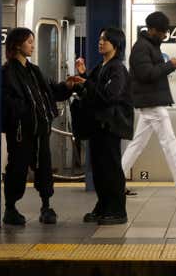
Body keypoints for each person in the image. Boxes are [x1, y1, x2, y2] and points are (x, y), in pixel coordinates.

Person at [1, 27, 84, 225]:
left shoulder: (34, 70)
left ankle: (46, 206)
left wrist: (67, 86)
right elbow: (8, 102)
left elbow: (52, 91)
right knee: (17, 168)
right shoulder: (7, 72)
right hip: (21, 132)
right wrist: (23, 114)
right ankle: (10, 208)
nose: (32, 46)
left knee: (44, 168)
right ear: (17, 44)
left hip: (40, 131)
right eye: (29, 42)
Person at [120, 12, 176, 197]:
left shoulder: (150, 45)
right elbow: (146, 74)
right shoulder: (142, 48)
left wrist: (168, 65)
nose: (165, 35)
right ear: (151, 30)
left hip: (151, 101)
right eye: (162, 32)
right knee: (169, 141)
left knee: (137, 144)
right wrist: (170, 65)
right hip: (152, 102)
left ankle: (116, 181)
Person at [75, 27, 134, 225]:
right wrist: (83, 75)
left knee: (111, 168)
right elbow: (93, 88)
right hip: (98, 125)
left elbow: (110, 96)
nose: (100, 42)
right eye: (100, 39)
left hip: (110, 125)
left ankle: (117, 210)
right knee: (99, 169)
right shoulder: (101, 66)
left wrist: (86, 82)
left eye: (105, 40)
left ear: (115, 44)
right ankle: (103, 206)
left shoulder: (117, 68)